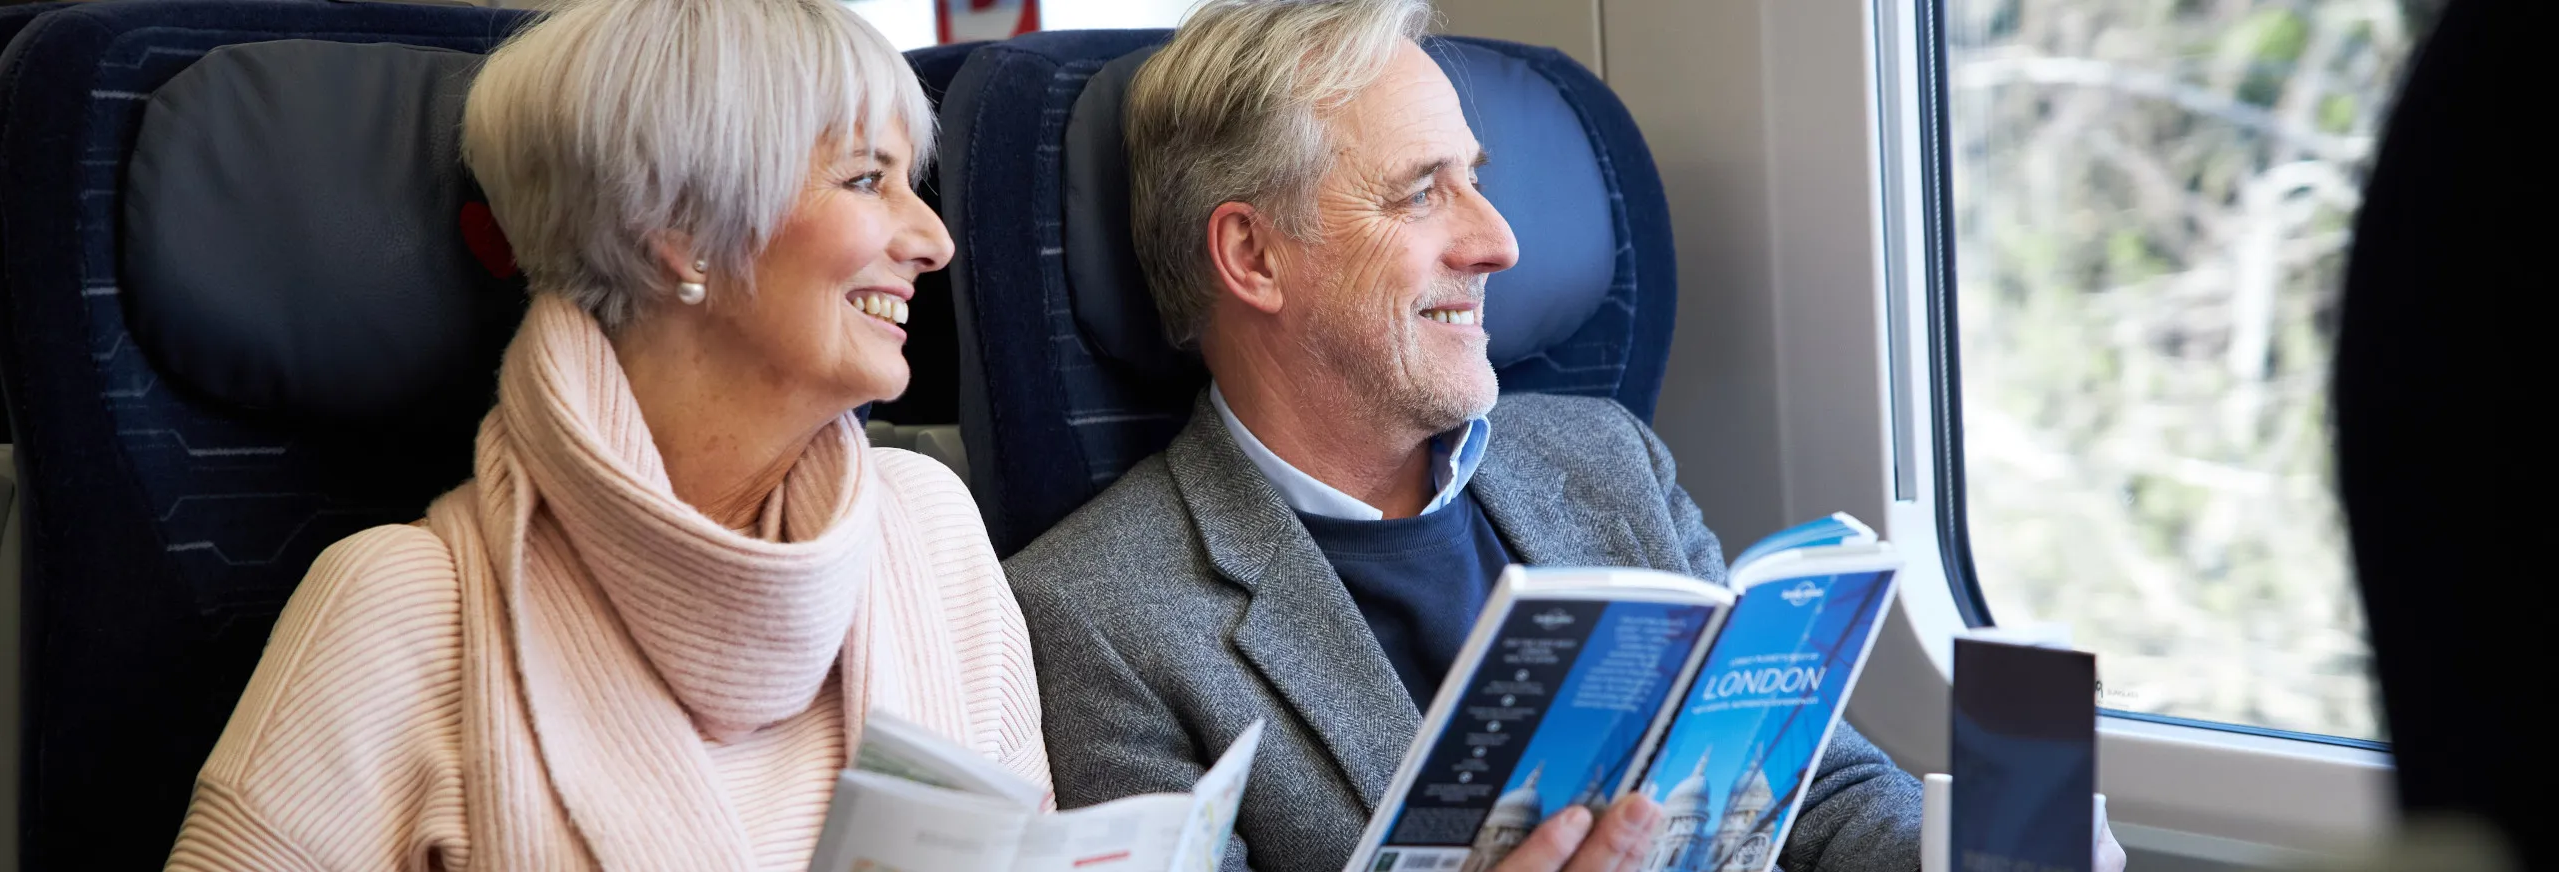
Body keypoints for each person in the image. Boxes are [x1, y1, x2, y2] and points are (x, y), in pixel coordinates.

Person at [1005, 1, 2122, 871]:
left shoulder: (1602, 461)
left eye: (1476, 183)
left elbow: (1814, 795)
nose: (1497, 242)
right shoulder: (1096, 615)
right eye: (1419, 194)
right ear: (1252, 257)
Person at [163, 1, 1047, 868]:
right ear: (682, 231)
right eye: (865, 178)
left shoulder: (931, 533)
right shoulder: (404, 607)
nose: (934, 239)